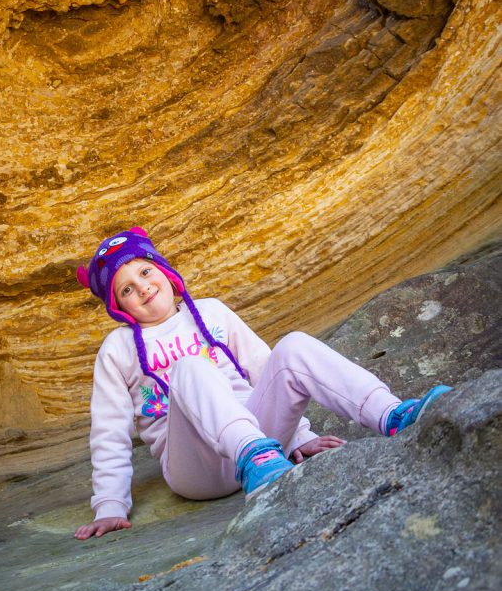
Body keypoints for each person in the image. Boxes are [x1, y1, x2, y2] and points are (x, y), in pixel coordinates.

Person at [73, 227, 451, 540]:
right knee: (190, 367)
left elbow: (264, 371)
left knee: (294, 347)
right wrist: (110, 505)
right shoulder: (117, 349)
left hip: (266, 447)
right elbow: (109, 432)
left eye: (143, 272)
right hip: (197, 470)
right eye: (125, 289)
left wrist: (299, 436)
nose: (141, 287)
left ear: (164, 270)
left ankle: (393, 414)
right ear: (117, 307)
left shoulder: (211, 311)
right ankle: (253, 456)